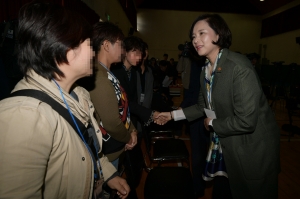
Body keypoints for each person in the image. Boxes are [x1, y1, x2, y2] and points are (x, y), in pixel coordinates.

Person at [0, 2, 129, 198]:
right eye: (88, 45)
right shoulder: (23, 116)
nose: (94, 53)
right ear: (66, 49)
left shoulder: (79, 95)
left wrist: (109, 174)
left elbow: (88, 147)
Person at [157, 13, 280, 199]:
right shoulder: (206, 70)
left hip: (251, 152)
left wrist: (213, 124)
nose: (195, 40)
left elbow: (247, 121)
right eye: (193, 36)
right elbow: (201, 106)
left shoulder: (238, 67)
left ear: (218, 35)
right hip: (226, 149)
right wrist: (172, 115)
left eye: (201, 33)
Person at [89, 21, 137, 170]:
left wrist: (132, 129)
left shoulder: (107, 72)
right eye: (120, 44)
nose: (122, 50)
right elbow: (111, 122)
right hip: (108, 152)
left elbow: (121, 106)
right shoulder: (99, 76)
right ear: (106, 45)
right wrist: (129, 137)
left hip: (116, 146)